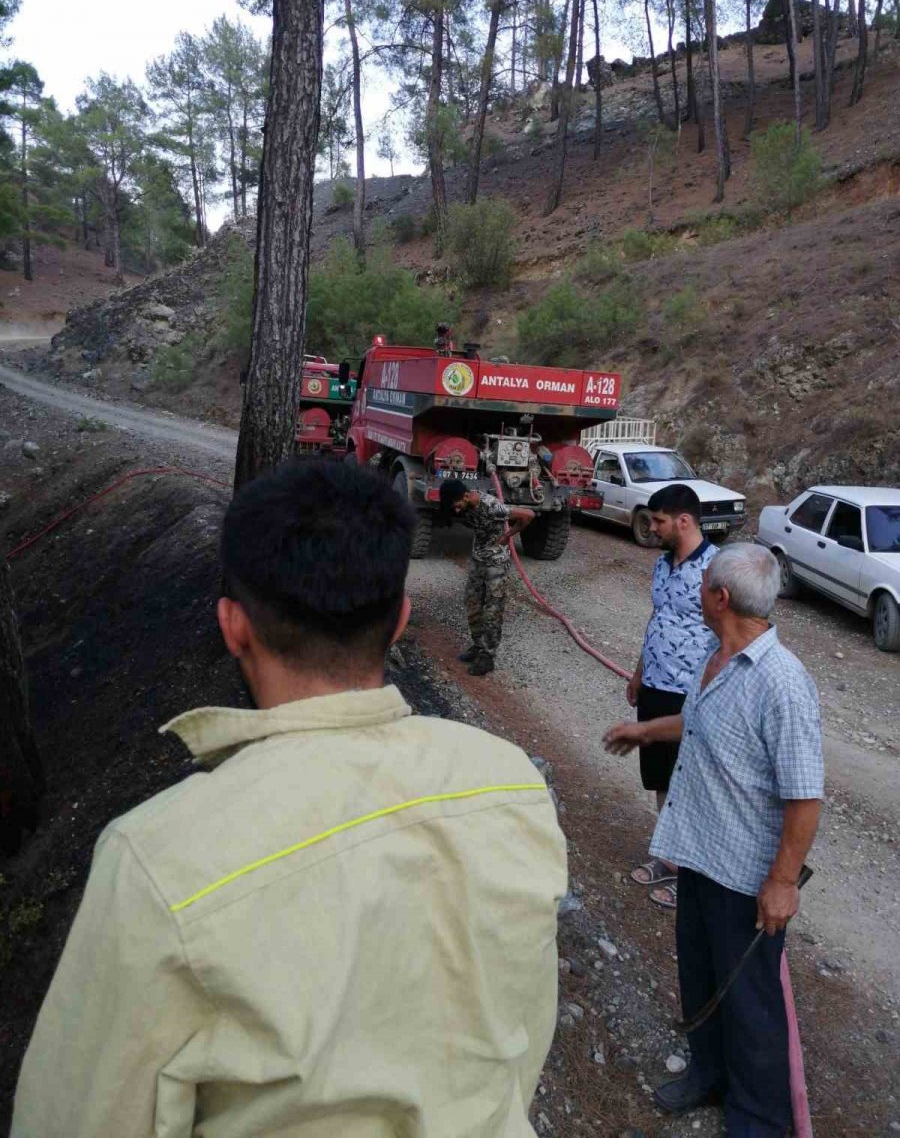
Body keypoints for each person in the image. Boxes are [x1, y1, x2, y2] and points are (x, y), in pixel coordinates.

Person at [13, 460, 567, 1138]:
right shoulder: (511, 786)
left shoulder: (157, 861)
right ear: (399, 620)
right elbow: (524, 1038)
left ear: (233, 626)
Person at [604, 543, 824, 1138]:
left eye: (703, 585)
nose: (697, 591)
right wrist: (647, 728)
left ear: (719, 598)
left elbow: (806, 796)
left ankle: (759, 1117)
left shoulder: (781, 682)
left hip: (746, 876)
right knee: (699, 977)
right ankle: (709, 1074)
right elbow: (699, 720)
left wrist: (782, 882)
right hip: (696, 852)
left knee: (750, 1001)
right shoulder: (715, 653)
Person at [626, 484, 716, 909]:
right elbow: (658, 617)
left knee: (694, 785)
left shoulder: (718, 570)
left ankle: (694, 876)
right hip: (655, 687)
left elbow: (736, 636)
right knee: (661, 778)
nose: (653, 527)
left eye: (660, 521)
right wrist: (639, 673)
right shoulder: (662, 565)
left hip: (694, 697)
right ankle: (670, 857)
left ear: (683, 520)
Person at [438, 479, 534, 676]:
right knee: (472, 603)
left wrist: (508, 535)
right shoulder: (466, 505)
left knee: (492, 609)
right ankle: (478, 645)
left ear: (465, 497)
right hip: (478, 559)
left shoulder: (492, 507)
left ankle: (488, 656)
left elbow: (528, 515)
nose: (456, 510)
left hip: (496, 563)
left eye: (457, 505)